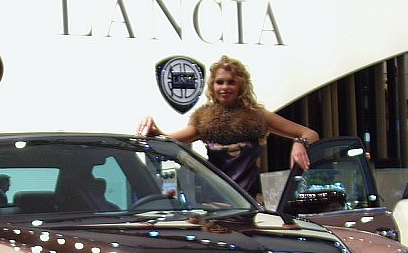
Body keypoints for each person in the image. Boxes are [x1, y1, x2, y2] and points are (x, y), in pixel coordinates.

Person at [137, 55, 319, 202]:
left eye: (231, 82)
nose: (225, 87)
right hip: (215, 203)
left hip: (251, 203)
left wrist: (299, 143)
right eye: (220, 82)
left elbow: (310, 134)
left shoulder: (257, 116)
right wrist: (154, 131)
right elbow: (168, 142)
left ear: (241, 85)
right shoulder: (204, 119)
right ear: (212, 85)